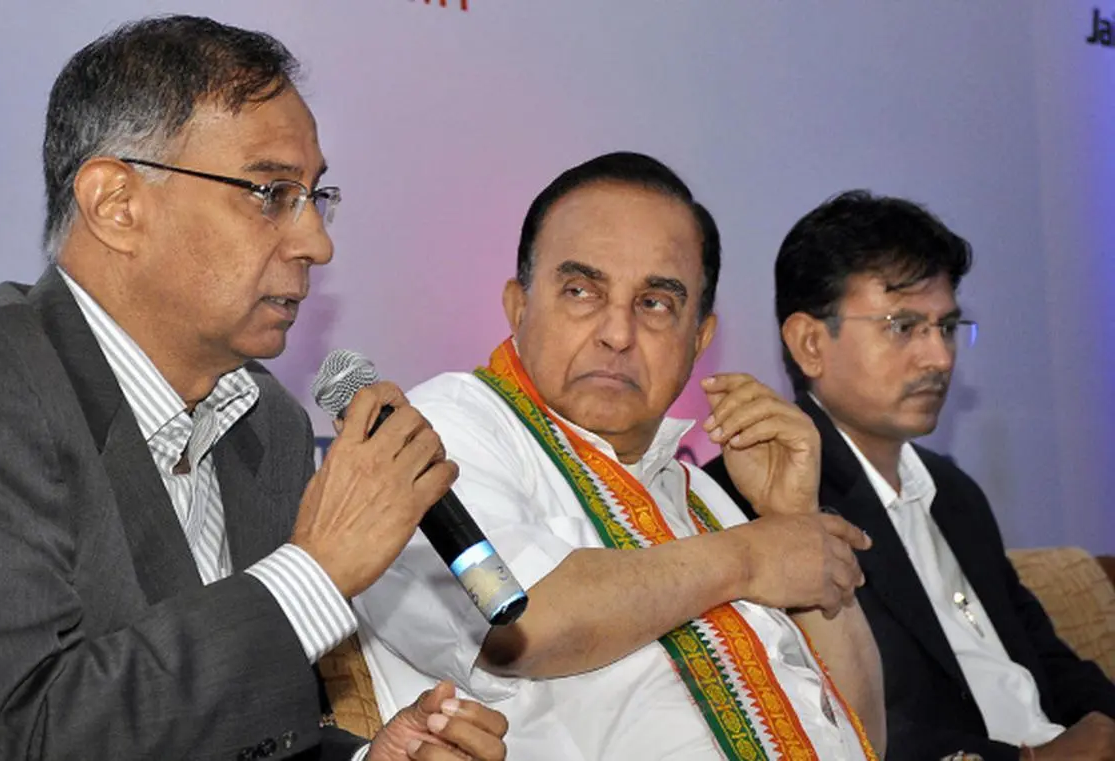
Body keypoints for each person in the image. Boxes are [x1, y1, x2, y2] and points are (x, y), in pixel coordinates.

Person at [0, 15, 508, 761]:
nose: (317, 242)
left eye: (315, 195)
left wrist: (366, 757)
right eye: (269, 192)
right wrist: (314, 572)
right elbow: (6, 738)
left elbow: (238, 731)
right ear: (116, 204)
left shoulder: (270, 423)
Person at [354, 152, 886, 760]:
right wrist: (750, 556)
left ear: (699, 339)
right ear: (519, 306)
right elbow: (521, 625)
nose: (618, 332)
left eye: (656, 303)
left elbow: (863, 731)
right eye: (581, 291)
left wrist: (793, 518)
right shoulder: (444, 427)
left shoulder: (697, 493)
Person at [704, 190, 1115, 760]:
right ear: (810, 344)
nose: (940, 358)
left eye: (946, 327)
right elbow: (828, 717)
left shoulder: (955, 494)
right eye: (903, 327)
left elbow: (1045, 658)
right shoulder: (755, 501)